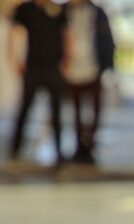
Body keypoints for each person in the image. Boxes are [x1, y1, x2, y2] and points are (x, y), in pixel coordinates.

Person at [7, 0, 68, 164]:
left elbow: (65, 34)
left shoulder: (57, 10)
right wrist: (14, 57)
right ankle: (15, 148)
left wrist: (66, 59)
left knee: (56, 111)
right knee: (25, 108)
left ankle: (59, 151)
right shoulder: (25, 10)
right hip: (32, 66)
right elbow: (14, 33)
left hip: (53, 66)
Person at [62, 0, 114, 163]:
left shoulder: (97, 13)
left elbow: (107, 40)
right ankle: (79, 145)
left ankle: (90, 144)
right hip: (71, 68)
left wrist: (107, 65)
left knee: (95, 109)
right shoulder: (63, 12)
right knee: (75, 110)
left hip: (93, 67)